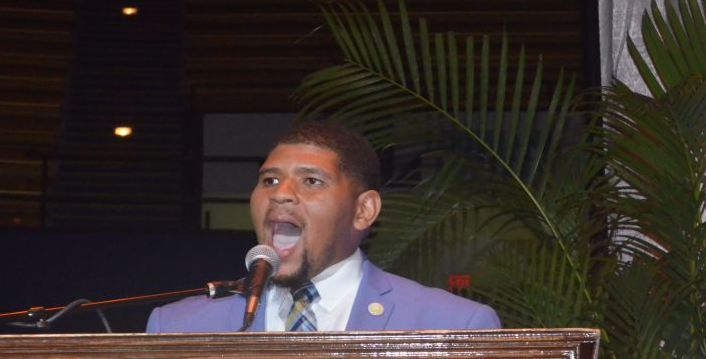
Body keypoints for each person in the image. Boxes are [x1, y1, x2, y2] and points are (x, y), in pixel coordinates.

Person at [146, 120, 501, 332]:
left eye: (311, 181)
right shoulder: (178, 327)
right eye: (269, 180)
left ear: (363, 211)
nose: (280, 194)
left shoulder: (451, 324)